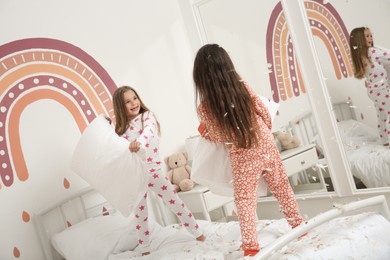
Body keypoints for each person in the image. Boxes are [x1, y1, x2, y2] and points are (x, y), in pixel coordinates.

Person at [192, 44, 304, 257]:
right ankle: (298, 225)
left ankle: (251, 246)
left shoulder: (205, 107)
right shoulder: (242, 86)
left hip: (242, 152)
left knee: (244, 199)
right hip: (264, 142)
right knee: (281, 187)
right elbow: (262, 110)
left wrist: (207, 133)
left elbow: (218, 136)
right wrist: (264, 131)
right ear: (227, 66)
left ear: (200, 77)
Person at [112, 86, 205, 255]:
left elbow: (148, 133)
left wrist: (138, 143)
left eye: (134, 98)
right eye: (127, 101)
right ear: (120, 107)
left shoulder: (146, 117)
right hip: (135, 176)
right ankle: (145, 249)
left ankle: (198, 234)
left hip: (153, 171)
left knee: (175, 202)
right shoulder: (120, 131)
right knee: (140, 214)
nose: (133, 103)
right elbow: (117, 151)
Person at [349, 27, 390, 146]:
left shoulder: (361, 55)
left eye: (370, 35)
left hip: (373, 91)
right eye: (367, 36)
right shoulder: (372, 52)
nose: (370, 38)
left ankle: (385, 141)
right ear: (360, 40)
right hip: (380, 90)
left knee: (382, 115)